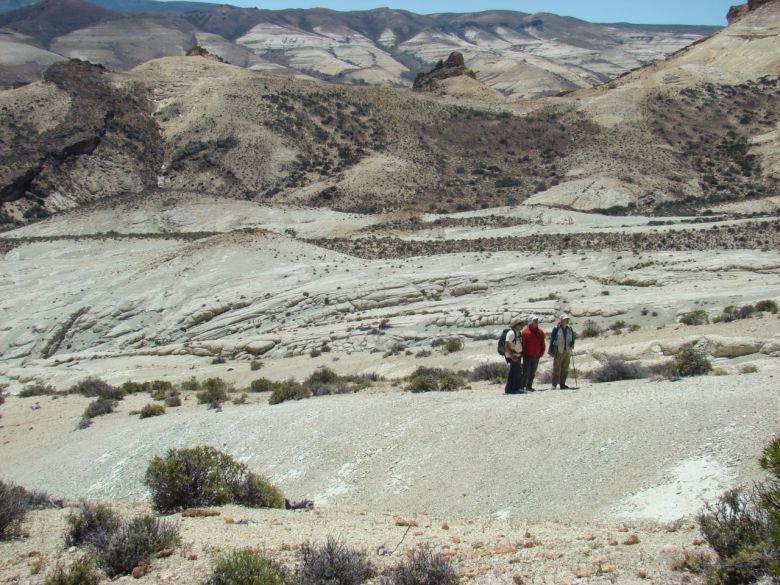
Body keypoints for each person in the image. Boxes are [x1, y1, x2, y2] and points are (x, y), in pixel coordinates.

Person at [549, 313, 576, 389]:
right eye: (565, 319)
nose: (567, 321)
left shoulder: (570, 328)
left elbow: (573, 338)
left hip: (567, 350)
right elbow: (552, 339)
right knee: (556, 368)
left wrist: (572, 344)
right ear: (561, 320)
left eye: (567, 319)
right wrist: (551, 350)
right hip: (558, 350)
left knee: (565, 368)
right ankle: (554, 385)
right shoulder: (556, 328)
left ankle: (562, 384)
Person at [520, 314, 545, 392]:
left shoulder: (540, 332)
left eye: (537, 320)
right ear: (530, 322)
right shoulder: (525, 332)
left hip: (537, 356)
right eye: (534, 321)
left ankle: (529, 386)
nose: (536, 322)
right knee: (526, 372)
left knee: (532, 372)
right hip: (527, 355)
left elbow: (542, 343)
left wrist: (541, 353)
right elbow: (523, 344)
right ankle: (522, 387)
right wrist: (522, 354)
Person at [504, 317, 526, 394]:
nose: (522, 326)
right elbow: (506, 346)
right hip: (513, 356)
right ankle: (515, 389)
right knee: (517, 372)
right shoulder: (511, 333)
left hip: (516, 356)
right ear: (516, 325)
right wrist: (512, 356)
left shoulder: (517, 333)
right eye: (521, 324)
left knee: (513, 372)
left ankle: (509, 389)